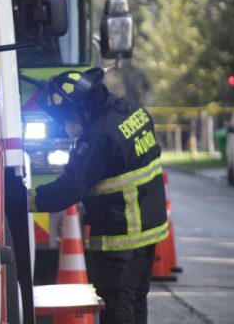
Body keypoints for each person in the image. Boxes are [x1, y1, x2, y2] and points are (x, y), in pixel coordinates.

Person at [29, 67, 168, 324]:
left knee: (117, 307)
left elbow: (69, 188)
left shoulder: (98, 138)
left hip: (122, 235)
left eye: (67, 119)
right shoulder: (130, 112)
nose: (67, 126)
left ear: (82, 109)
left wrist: (24, 199)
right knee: (136, 299)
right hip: (148, 228)